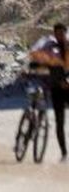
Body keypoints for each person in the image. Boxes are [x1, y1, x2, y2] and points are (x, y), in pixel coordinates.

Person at [29, 23, 69, 161]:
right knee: (59, 121)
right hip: (56, 88)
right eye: (57, 34)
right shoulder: (49, 46)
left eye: (62, 34)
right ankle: (64, 153)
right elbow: (38, 58)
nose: (60, 36)